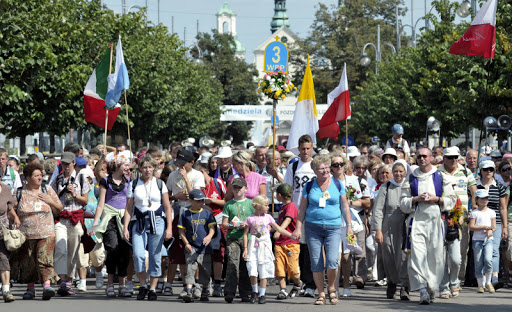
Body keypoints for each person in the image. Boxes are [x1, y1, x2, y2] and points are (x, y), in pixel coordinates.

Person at [292, 155, 352, 305]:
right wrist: (298, 228)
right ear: (315, 171)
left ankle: (331, 288)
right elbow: (302, 208)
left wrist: (349, 226)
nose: (325, 170)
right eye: (321, 168)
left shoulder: (337, 184)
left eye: (327, 167)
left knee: (332, 261)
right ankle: (321, 293)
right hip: (313, 227)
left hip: (333, 227)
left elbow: (345, 206)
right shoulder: (309, 186)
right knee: (316, 262)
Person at [400, 147, 456, 305]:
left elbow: (451, 199)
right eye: (419, 156)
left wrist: (436, 199)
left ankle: (432, 286)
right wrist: (415, 199)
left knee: (435, 256)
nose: (422, 159)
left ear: (431, 157)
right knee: (417, 256)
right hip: (416, 222)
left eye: (425, 156)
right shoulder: (411, 178)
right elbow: (403, 203)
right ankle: (422, 289)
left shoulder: (440, 176)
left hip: (435, 222)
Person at [123, 155, 173, 301]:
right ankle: (143, 285)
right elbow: (129, 208)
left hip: (157, 220)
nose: (147, 170)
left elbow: (167, 207)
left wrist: (169, 228)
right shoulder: (133, 184)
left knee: (155, 255)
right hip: (139, 221)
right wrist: (125, 227)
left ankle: (152, 288)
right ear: (140, 168)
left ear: (154, 168)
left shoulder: (159, 184)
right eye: (144, 167)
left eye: (150, 167)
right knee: (138, 254)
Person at [11, 163, 63, 301]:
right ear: (27, 178)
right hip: (26, 234)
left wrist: (50, 201)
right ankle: (30, 289)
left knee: (44, 258)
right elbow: (11, 209)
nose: (40, 178)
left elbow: (59, 208)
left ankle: (47, 286)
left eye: (41, 175)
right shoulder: (19, 192)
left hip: (46, 232)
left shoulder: (47, 189)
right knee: (29, 262)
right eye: (36, 175)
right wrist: (15, 218)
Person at [90, 152, 132, 297]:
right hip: (109, 218)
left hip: (124, 218)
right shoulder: (105, 181)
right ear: (118, 165)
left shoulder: (129, 181)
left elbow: (130, 203)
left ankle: (122, 285)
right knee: (112, 248)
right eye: (126, 165)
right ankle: (109, 283)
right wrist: (95, 224)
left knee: (125, 251)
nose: (128, 167)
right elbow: (100, 204)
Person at [51, 152, 91, 296]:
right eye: (63, 163)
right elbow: (52, 197)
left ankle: (69, 280)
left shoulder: (81, 178)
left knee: (73, 252)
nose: (66, 166)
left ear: (74, 163)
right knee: (61, 248)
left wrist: (75, 194)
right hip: (61, 218)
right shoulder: (57, 179)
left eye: (68, 163)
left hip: (75, 217)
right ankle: (62, 281)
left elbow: (85, 201)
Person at [438, 147, 476, 294]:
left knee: (460, 252)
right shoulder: (437, 171)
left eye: (455, 157)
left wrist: (472, 210)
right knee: (441, 252)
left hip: (461, 216)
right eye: (449, 157)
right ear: (444, 158)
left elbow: (474, 192)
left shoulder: (466, 172)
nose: (453, 160)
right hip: (442, 215)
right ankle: (444, 285)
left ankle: (457, 280)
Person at [242, 195, 294, 304]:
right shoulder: (250, 218)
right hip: (253, 247)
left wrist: (291, 235)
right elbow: (246, 234)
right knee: (252, 270)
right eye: (265, 205)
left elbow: (279, 228)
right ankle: (254, 291)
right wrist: (245, 248)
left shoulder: (268, 217)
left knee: (263, 270)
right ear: (258, 207)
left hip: (264, 247)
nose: (268, 207)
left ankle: (262, 294)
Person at [283, 134, 317, 297]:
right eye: (302, 149)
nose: (305, 152)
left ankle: (311, 283)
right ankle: (301, 281)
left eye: (308, 149)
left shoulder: (315, 165)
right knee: (299, 248)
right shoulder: (294, 166)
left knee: (311, 248)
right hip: (297, 212)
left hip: (313, 211)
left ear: (312, 149)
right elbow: (288, 188)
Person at [373, 160, 409, 300]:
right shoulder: (386, 186)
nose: (398, 174)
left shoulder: (409, 186)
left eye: (401, 171)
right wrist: (378, 229)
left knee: (404, 255)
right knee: (388, 255)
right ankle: (392, 282)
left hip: (405, 223)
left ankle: (405, 286)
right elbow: (378, 210)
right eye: (396, 171)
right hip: (388, 224)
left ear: (405, 172)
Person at [194, 161, 227, 297]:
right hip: (203, 222)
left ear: (203, 172)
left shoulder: (217, 183)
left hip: (218, 220)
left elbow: (226, 201)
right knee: (203, 254)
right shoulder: (198, 186)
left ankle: (217, 284)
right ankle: (203, 285)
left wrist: (211, 201)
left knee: (218, 254)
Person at [179, 190, 216, 303]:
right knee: (190, 268)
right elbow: (181, 231)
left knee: (205, 269)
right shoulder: (185, 214)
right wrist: (186, 243)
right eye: (198, 201)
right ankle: (189, 291)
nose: (201, 203)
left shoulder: (206, 213)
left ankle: (204, 290)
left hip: (204, 247)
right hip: (192, 246)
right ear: (191, 200)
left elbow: (212, 228)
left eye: (202, 201)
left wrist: (209, 236)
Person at [221, 177, 254, 303]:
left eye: (240, 187)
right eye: (235, 187)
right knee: (232, 264)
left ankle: (245, 292)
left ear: (246, 189)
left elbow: (255, 221)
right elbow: (224, 223)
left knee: (245, 265)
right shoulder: (229, 204)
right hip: (233, 237)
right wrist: (231, 225)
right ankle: (229, 292)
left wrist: (247, 225)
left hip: (248, 238)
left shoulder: (251, 204)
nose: (237, 190)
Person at [476, 160, 508, 288]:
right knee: (481, 251)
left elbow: (503, 207)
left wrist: (505, 227)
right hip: (479, 222)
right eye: (486, 169)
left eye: (491, 169)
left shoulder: (499, 186)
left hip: (496, 222)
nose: (488, 171)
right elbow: (471, 203)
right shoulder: (476, 185)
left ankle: (494, 278)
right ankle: (482, 278)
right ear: (481, 171)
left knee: (494, 250)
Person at [273, 183, 302, 300]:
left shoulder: (291, 206)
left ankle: (298, 284)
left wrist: (279, 231)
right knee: (279, 268)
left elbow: (288, 219)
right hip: (279, 244)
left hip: (291, 243)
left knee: (293, 269)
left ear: (279, 195)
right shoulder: (282, 208)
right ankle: (283, 290)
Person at [469, 189, 497, 293]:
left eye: (486, 198)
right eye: (482, 198)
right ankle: (480, 284)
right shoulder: (474, 213)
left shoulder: (491, 212)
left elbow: (494, 226)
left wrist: (491, 230)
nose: (485, 200)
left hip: (488, 240)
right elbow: (471, 227)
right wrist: (483, 227)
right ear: (477, 200)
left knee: (488, 260)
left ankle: (488, 282)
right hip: (477, 240)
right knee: (478, 262)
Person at [0, 180, 19, 302]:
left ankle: (6, 290)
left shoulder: (5, 188)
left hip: (3, 231)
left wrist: (16, 218)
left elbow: (9, 207)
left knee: (3, 258)